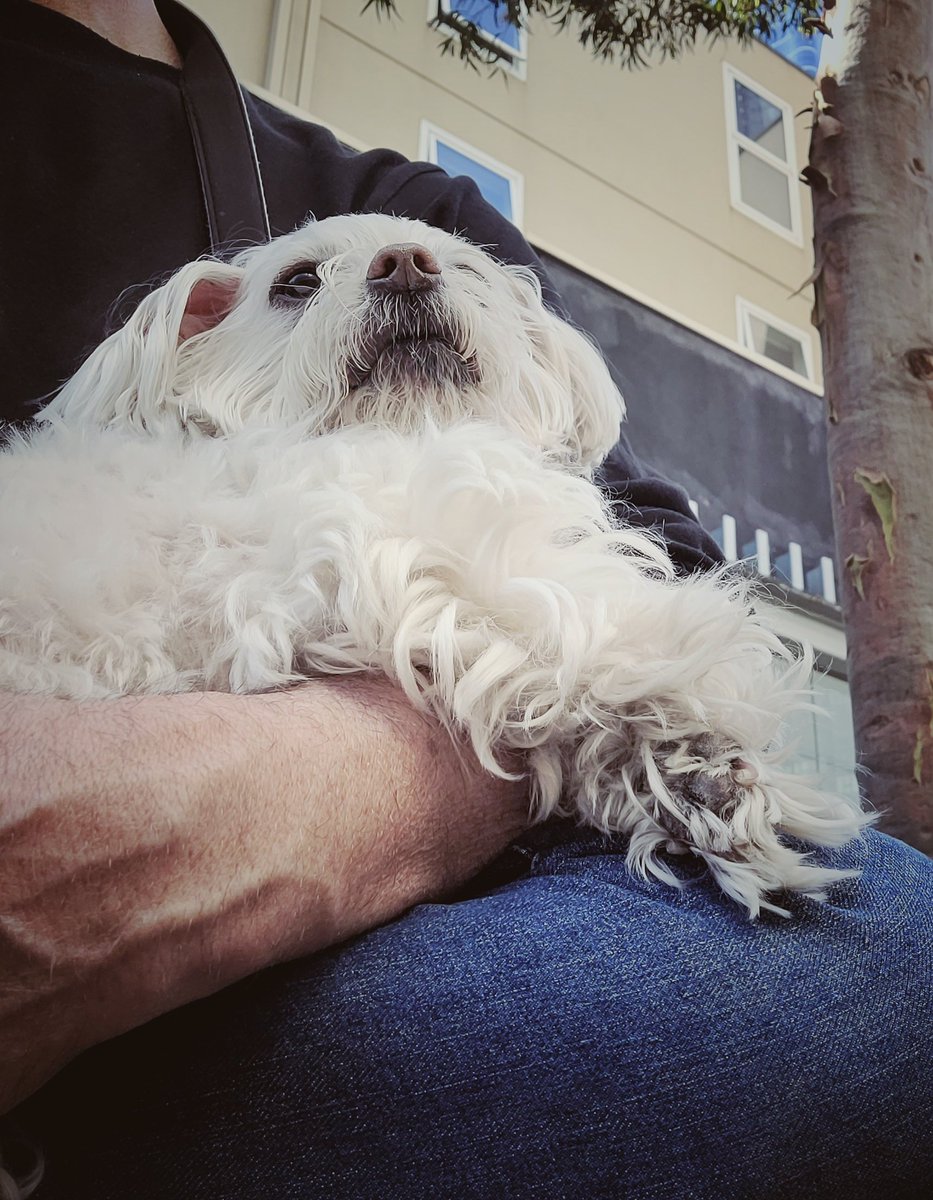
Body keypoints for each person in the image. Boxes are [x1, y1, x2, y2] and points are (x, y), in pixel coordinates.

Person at [1, 2, 931, 1197]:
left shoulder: (408, 201)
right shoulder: (148, 475)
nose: (398, 269)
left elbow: (661, 565)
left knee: (878, 938)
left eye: (448, 278)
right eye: (300, 285)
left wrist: (227, 816)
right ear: (189, 343)